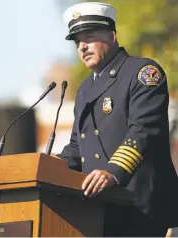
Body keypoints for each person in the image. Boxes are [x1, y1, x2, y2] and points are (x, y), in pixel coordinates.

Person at [56, 1, 178, 236]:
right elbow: (76, 147)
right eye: (77, 41)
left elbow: (143, 132)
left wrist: (113, 171)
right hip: (100, 209)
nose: (83, 47)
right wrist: (48, 165)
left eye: (89, 37)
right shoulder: (84, 90)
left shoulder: (142, 73)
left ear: (112, 35)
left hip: (141, 206)